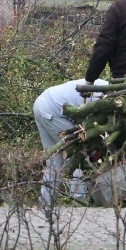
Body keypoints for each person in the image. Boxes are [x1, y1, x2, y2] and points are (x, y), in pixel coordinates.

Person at [33, 77, 107, 206]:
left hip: (42, 103)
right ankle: (79, 202)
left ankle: (45, 204)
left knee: (53, 161)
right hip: (54, 110)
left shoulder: (103, 86)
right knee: (78, 154)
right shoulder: (106, 97)